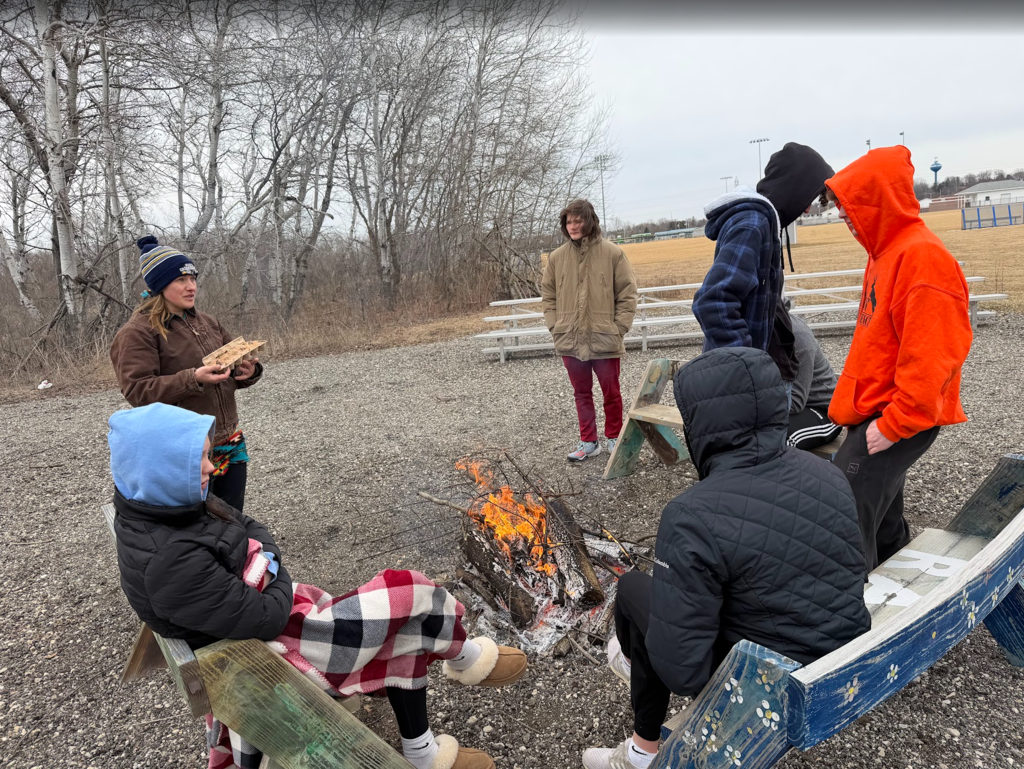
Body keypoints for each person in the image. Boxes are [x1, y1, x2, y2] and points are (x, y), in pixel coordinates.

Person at [108, 402, 527, 769]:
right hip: (265, 667)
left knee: (397, 613)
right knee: (407, 590)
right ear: (160, 470)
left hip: (248, 645)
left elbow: (251, 525)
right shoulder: (170, 560)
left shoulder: (168, 506)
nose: (210, 468)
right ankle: (466, 659)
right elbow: (268, 615)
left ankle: (424, 748)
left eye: (206, 456)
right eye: (196, 461)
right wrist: (274, 568)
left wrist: (264, 560)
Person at [583, 347, 870, 769]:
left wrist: (657, 639)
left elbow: (685, 673)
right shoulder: (829, 472)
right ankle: (630, 663)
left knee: (631, 590)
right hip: (840, 655)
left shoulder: (690, 515)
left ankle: (641, 746)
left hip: (764, 684)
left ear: (701, 424)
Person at [824, 146, 973, 570]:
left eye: (851, 202)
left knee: (844, 514)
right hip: (875, 410)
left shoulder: (922, 257)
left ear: (879, 200)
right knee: (883, 518)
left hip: (894, 414)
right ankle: (898, 588)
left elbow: (933, 354)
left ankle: (851, 604)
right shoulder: (884, 254)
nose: (842, 212)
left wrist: (894, 425)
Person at [110, 235, 261, 512]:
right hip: (185, 449)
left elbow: (228, 373)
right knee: (198, 526)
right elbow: (137, 392)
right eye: (181, 280)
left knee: (233, 520)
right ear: (160, 285)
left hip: (229, 443)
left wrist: (247, 370)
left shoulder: (207, 322)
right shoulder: (137, 332)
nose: (191, 287)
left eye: (193, 279)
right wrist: (193, 379)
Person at [692, 143, 833, 403]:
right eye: (807, 197)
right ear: (792, 188)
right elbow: (713, 301)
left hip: (765, 373)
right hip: (749, 383)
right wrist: (747, 368)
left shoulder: (763, 222)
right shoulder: (753, 223)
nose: (806, 209)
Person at [540, 199, 637, 462]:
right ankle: (589, 442)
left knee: (611, 393)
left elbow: (627, 295)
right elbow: (548, 297)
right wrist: (555, 326)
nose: (572, 226)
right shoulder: (556, 258)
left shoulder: (613, 253)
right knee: (581, 394)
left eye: (578, 221)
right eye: (568, 222)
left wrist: (618, 329)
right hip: (570, 339)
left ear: (590, 221)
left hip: (605, 338)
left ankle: (614, 437)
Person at [783, 297, 843, 451]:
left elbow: (796, 401)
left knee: (778, 441)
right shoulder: (747, 332)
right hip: (782, 403)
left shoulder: (797, 334)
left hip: (821, 409)